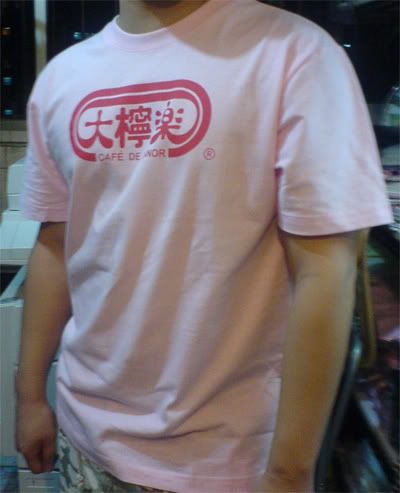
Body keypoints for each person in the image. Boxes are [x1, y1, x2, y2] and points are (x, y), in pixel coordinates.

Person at [15, 0, 394, 492]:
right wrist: (30, 397)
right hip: (85, 441)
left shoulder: (296, 54)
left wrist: (289, 473)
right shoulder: (62, 78)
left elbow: (325, 271)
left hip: (232, 462)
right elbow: (54, 246)